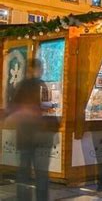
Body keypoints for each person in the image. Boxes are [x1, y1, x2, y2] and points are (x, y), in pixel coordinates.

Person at [7, 59, 58, 201]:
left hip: (24, 135)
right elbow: (46, 106)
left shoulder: (20, 86)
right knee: (41, 173)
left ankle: (23, 198)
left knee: (24, 172)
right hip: (40, 135)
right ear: (37, 69)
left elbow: (13, 108)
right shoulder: (41, 85)